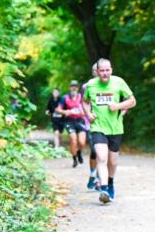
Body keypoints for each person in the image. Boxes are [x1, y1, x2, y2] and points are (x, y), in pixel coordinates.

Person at [84, 58, 136, 203]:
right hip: (98, 127)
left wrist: (118, 106)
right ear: (97, 71)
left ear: (111, 70)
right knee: (101, 157)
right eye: (102, 70)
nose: (105, 73)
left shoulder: (119, 82)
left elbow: (132, 101)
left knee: (112, 162)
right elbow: (85, 101)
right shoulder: (91, 85)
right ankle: (104, 189)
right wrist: (88, 114)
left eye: (108, 70)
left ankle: (110, 182)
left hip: (115, 128)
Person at [56, 80, 89, 168]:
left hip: (80, 120)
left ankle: (79, 153)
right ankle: (74, 159)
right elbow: (58, 109)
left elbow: (88, 107)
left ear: (78, 88)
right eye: (72, 86)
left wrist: (84, 112)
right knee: (73, 139)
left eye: (76, 86)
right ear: (70, 88)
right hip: (69, 121)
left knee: (82, 142)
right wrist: (66, 111)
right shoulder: (65, 98)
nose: (74, 88)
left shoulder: (82, 97)